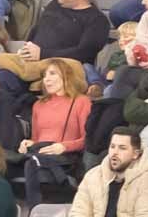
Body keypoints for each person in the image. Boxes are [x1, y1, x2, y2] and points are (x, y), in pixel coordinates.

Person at [0, 0, 110, 98]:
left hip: (61, 69)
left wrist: (42, 54)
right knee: (1, 78)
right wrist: (27, 49)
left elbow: (84, 53)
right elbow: (35, 32)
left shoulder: (97, 20)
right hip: (30, 64)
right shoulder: (54, 5)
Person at [19, 61, 93, 210]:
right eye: (44, 75)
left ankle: (35, 210)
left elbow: (87, 140)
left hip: (65, 156)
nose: (46, 79)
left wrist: (63, 146)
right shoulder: (38, 105)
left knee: (30, 163)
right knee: (17, 161)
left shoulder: (81, 101)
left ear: (66, 76)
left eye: (52, 73)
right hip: (40, 152)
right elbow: (36, 138)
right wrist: (29, 143)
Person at [68, 128, 148, 217]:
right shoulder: (93, 176)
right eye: (112, 146)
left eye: (122, 148)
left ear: (135, 154)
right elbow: (78, 212)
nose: (115, 152)